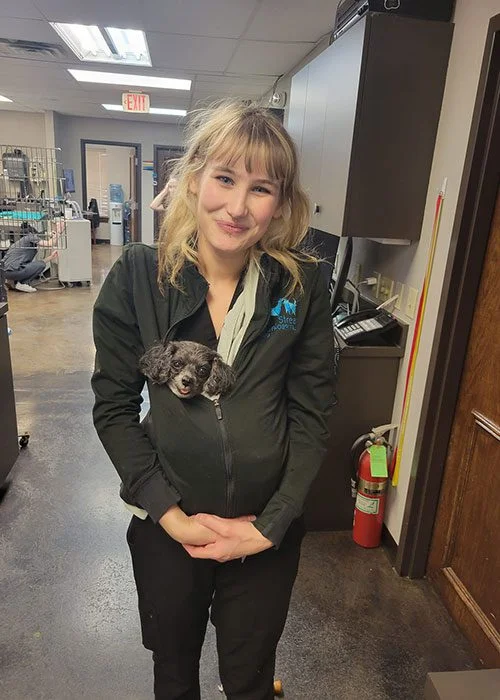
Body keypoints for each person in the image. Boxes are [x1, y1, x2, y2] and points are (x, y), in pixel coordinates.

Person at [92, 100, 335, 700]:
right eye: (225, 178)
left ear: (280, 203)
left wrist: (270, 526)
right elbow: (114, 408)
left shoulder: (299, 286)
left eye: (261, 188)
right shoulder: (140, 277)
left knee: (249, 679)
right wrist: (170, 515)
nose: (237, 206)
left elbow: (311, 414)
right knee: (174, 672)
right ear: (194, 178)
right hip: (168, 528)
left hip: (262, 534)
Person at [3, 222, 60, 293]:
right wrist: (58, 232)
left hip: (5, 272)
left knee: (38, 264)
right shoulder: (30, 237)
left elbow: (33, 265)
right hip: (13, 271)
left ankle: (12, 282)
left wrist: (51, 257)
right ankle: (23, 283)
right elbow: (50, 243)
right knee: (41, 265)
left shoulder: (19, 244)